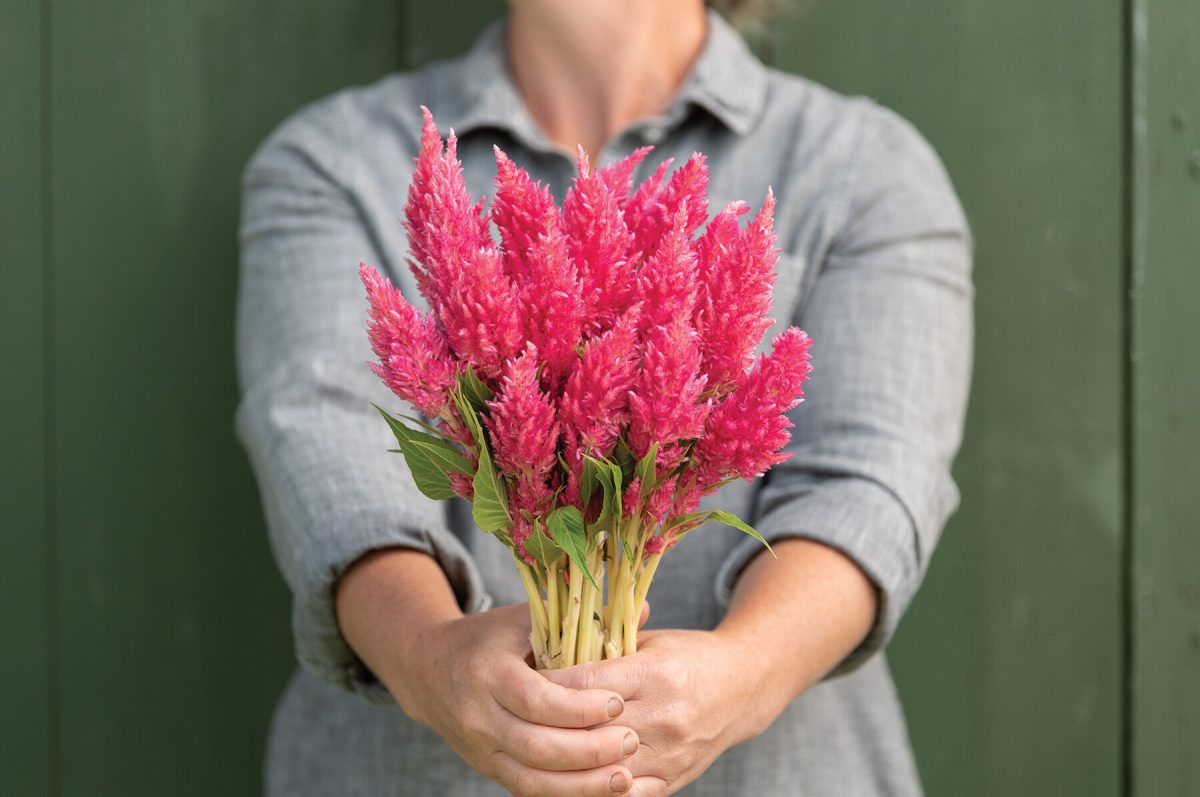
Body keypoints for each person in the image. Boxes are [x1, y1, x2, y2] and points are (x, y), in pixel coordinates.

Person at [234, 1, 973, 794]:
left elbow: (870, 485)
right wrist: (428, 656)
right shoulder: (338, 160)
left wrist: (746, 669)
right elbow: (328, 457)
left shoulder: (862, 166)